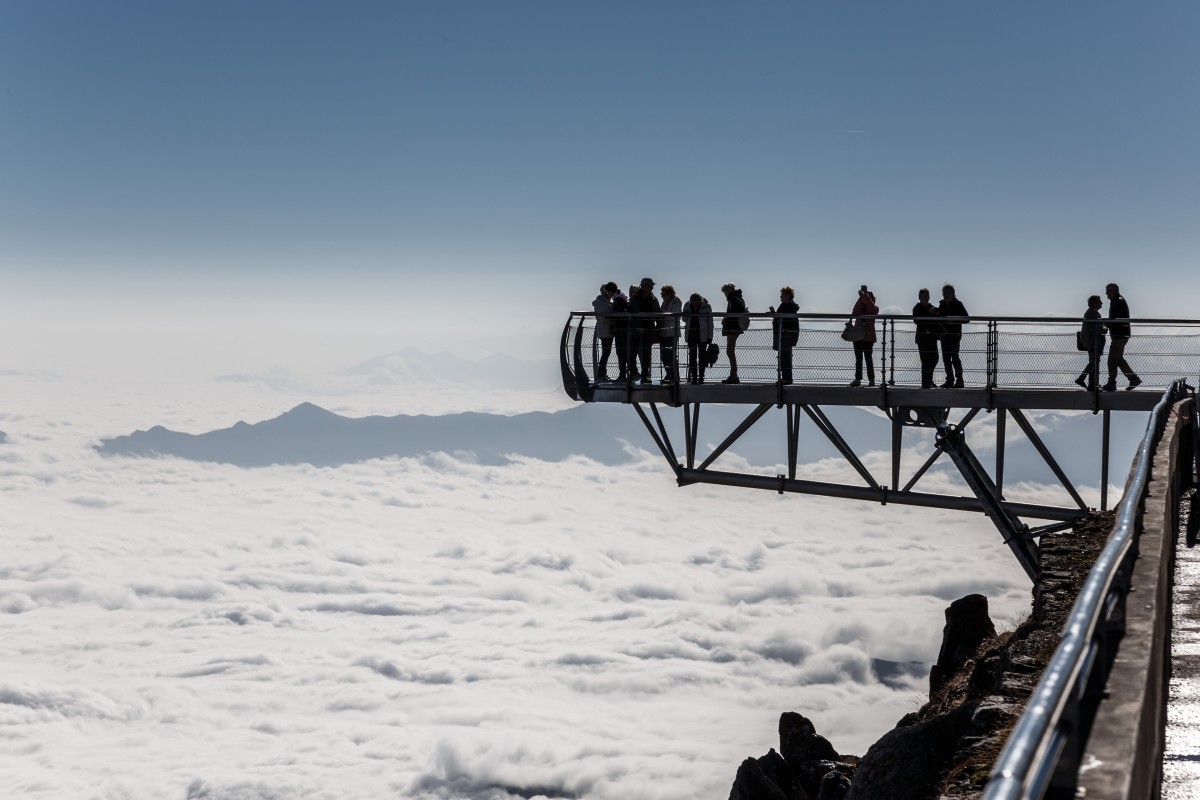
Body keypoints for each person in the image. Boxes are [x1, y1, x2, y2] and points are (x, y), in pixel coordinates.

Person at [1102, 283, 1141, 391]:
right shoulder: (1118, 300)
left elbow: (1116, 320)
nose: (1107, 295)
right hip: (1120, 334)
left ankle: (1128, 379)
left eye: (1107, 292)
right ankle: (1118, 380)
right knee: (1115, 358)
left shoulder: (1117, 301)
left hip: (1119, 334)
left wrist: (1107, 323)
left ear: (1113, 291)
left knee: (1114, 358)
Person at [630, 277, 661, 384]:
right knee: (633, 352)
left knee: (646, 352)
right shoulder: (635, 298)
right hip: (636, 329)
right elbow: (633, 313)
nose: (651, 288)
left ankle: (644, 374)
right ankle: (633, 372)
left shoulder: (653, 299)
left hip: (648, 329)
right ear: (644, 286)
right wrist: (639, 326)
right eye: (650, 286)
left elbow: (658, 314)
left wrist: (658, 328)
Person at [938, 284, 968, 388]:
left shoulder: (958, 304)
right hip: (944, 335)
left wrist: (954, 320)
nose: (945, 295)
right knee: (946, 358)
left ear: (953, 294)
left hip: (954, 335)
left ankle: (959, 380)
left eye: (947, 293)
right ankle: (950, 380)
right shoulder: (942, 305)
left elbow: (966, 318)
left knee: (954, 357)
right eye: (944, 293)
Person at [1075, 294, 1106, 390]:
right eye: (1099, 302)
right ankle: (1087, 381)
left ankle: (1090, 383)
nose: (1101, 303)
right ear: (1094, 303)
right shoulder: (1093, 314)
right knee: (1094, 362)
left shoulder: (1091, 312)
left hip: (1092, 342)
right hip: (1093, 342)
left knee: (1093, 362)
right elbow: (1093, 328)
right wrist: (1103, 330)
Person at [849, 285, 878, 387]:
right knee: (858, 358)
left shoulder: (875, 308)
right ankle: (858, 379)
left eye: (867, 298)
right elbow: (854, 311)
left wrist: (865, 295)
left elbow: (871, 309)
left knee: (868, 358)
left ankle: (871, 379)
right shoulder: (860, 308)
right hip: (858, 336)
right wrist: (861, 298)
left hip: (868, 337)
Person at [912, 288, 941, 389]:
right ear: (920, 297)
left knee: (934, 359)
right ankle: (926, 382)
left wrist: (936, 311)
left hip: (931, 337)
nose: (927, 298)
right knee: (925, 361)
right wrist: (930, 313)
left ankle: (928, 380)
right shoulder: (917, 308)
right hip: (922, 338)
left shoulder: (930, 306)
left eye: (927, 295)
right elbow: (917, 320)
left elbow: (939, 312)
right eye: (925, 296)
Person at [771, 286, 800, 384]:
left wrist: (775, 316)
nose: (780, 297)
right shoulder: (788, 306)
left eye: (782, 295)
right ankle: (786, 378)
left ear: (788, 295)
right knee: (785, 355)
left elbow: (785, 320)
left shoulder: (788, 307)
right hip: (786, 333)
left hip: (785, 333)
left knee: (785, 356)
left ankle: (786, 378)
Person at [683, 292, 714, 384]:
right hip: (691, 335)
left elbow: (710, 323)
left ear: (700, 301)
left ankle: (701, 377)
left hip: (702, 336)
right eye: (694, 302)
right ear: (691, 301)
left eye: (697, 302)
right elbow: (684, 319)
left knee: (702, 357)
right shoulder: (687, 306)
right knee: (692, 357)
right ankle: (694, 378)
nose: (695, 303)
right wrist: (686, 314)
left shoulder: (707, 307)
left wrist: (710, 337)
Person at [720, 283, 747, 384]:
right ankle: (733, 374)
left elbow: (736, 313)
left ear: (728, 291)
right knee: (730, 351)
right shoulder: (738, 298)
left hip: (732, 328)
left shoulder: (733, 299)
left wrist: (726, 320)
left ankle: (734, 375)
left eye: (725, 292)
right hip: (734, 327)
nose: (725, 295)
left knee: (730, 351)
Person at [592, 282, 618, 380]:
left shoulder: (603, 302)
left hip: (605, 330)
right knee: (606, 352)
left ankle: (602, 373)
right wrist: (612, 318)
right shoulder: (602, 303)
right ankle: (601, 374)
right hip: (606, 331)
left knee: (606, 352)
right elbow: (602, 318)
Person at [658, 284, 682, 384]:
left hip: (672, 332)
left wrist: (664, 317)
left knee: (671, 355)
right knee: (664, 355)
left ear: (669, 294)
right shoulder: (665, 303)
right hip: (664, 332)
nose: (662, 297)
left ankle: (674, 375)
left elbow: (675, 317)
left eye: (663, 295)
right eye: (661, 295)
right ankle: (669, 374)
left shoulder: (676, 302)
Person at [610, 286, 632, 381]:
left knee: (620, 353)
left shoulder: (617, 300)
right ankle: (628, 374)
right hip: (625, 330)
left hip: (620, 330)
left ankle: (622, 375)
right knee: (626, 353)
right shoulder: (622, 299)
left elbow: (617, 314)